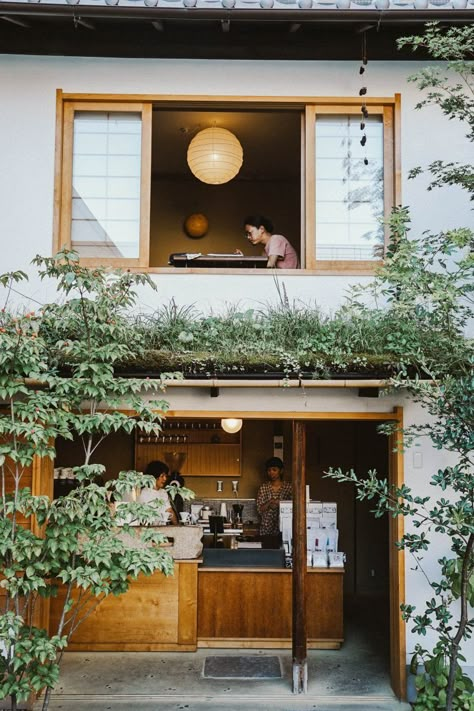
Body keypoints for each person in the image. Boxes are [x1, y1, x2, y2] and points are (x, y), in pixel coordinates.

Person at [256, 456, 292, 537]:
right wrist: (270, 502)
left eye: (274, 470)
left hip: (284, 529)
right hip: (266, 529)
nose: (271, 472)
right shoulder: (263, 487)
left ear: (281, 471)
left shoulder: (289, 488)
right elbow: (259, 509)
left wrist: (280, 503)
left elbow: (293, 507)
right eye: (269, 470)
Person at [138, 460, 178, 525]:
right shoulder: (143, 493)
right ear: (153, 476)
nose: (165, 479)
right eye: (162, 476)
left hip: (162, 529)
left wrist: (178, 527)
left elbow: (169, 511)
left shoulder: (163, 492)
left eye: (166, 476)